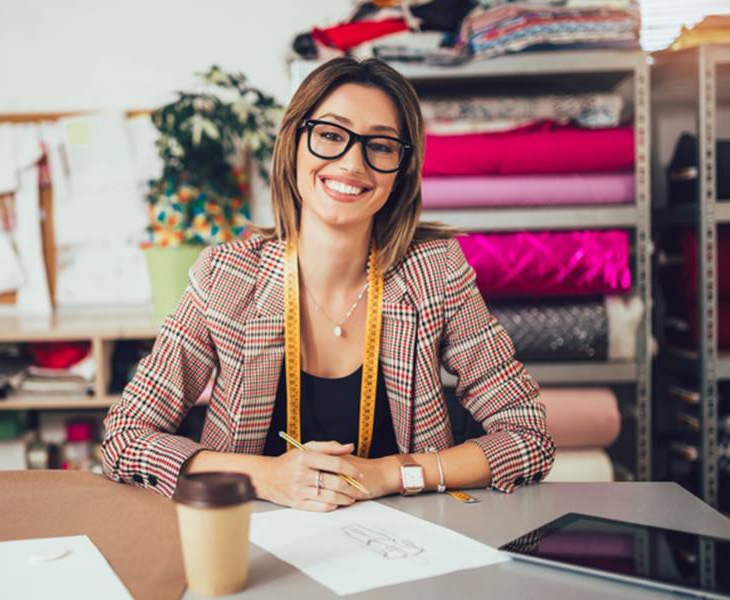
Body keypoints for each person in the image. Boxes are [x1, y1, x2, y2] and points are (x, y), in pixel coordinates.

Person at [102, 57, 554, 511]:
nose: (353, 162)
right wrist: (266, 476)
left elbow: (528, 434)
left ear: (400, 171)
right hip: (255, 549)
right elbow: (124, 438)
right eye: (331, 135)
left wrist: (390, 473)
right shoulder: (225, 277)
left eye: (380, 145)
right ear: (294, 144)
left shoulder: (434, 273)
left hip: (406, 550)